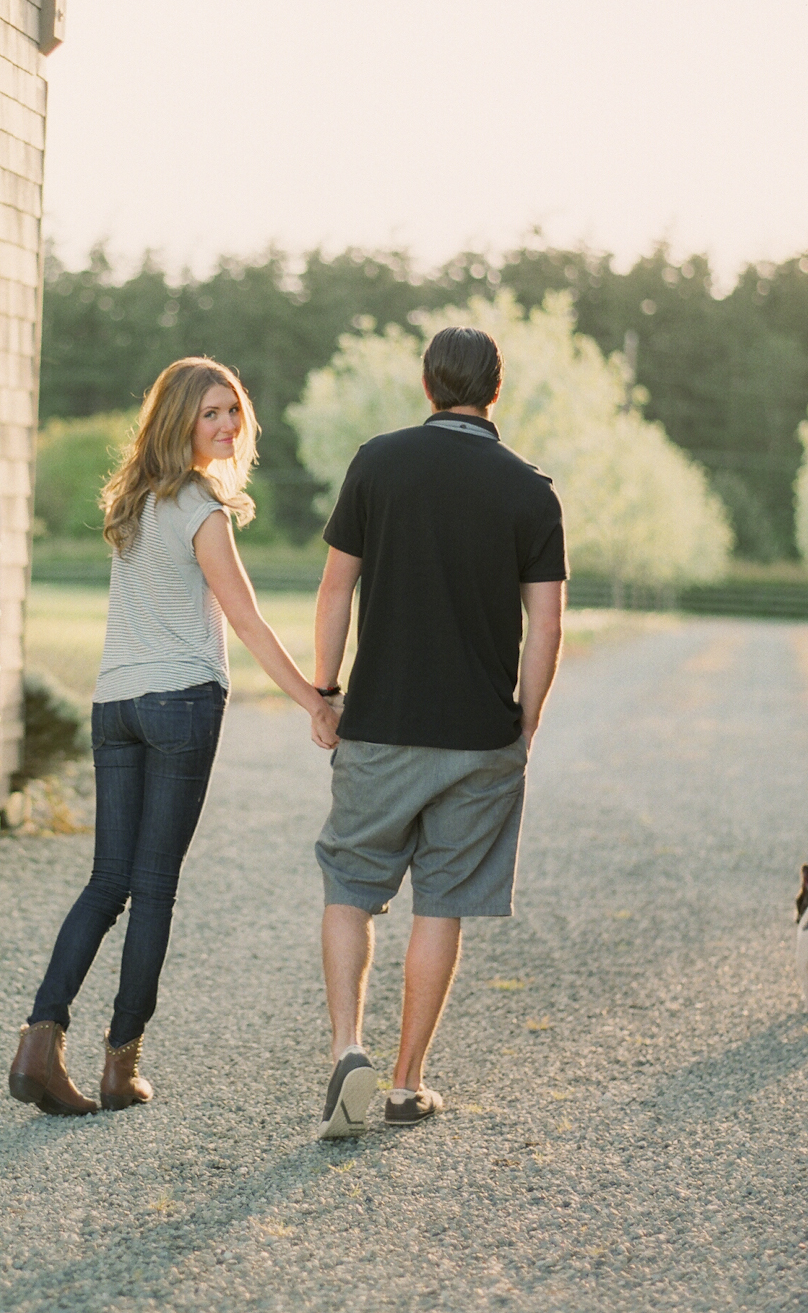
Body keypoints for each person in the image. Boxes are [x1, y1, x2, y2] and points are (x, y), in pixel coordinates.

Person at [8, 356, 341, 1116]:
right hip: (180, 704)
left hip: (115, 705)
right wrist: (316, 702)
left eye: (232, 411)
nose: (226, 425)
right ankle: (121, 1067)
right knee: (151, 888)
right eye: (210, 414)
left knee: (107, 883)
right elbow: (248, 621)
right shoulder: (201, 508)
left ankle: (39, 1037)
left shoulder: (132, 499)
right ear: (180, 421)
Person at [308, 325, 566, 1138]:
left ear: (428, 385)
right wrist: (522, 724)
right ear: (497, 391)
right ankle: (405, 1083)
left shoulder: (375, 464)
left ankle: (348, 1046)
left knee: (351, 885)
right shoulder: (531, 489)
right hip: (479, 735)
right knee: (442, 904)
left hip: (380, 723)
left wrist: (325, 691)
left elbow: (334, 592)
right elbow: (547, 627)